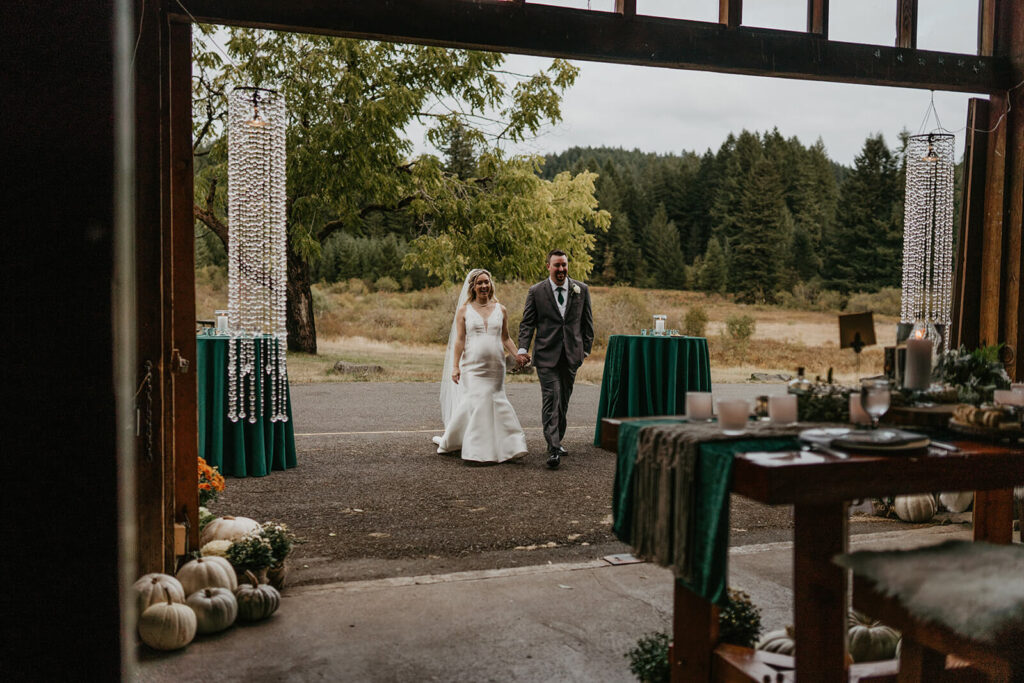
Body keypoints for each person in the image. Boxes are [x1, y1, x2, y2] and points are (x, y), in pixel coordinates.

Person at [432, 269, 528, 464]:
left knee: (497, 401)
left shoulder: (501, 309)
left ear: (491, 285)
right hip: (472, 367)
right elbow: (459, 340)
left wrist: (517, 354)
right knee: (475, 402)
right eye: (480, 283)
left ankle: (510, 446)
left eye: (487, 282)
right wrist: (455, 366)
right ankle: (475, 449)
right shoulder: (464, 310)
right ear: (473, 287)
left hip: (495, 367)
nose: (484, 286)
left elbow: (505, 337)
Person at [517, 249, 594, 470]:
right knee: (552, 398)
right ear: (548, 267)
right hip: (546, 355)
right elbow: (527, 324)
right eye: (556, 265)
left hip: (571, 356)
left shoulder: (581, 290)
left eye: (564, 265)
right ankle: (553, 448)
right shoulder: (536, 291)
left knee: (564, 402)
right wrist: (523, 348)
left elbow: (587, 324)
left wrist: (584, 351)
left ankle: (556, 440)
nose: (561, 269)